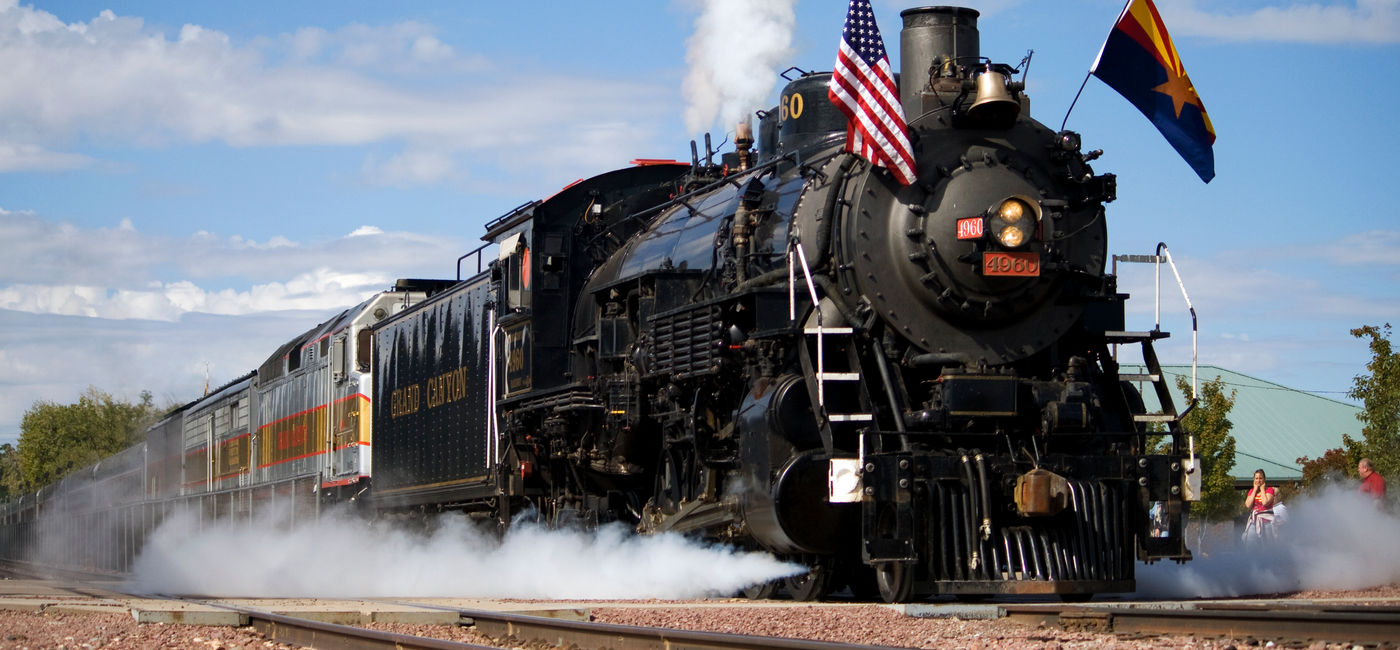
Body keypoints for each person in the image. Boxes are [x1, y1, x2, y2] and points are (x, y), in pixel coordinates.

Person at [1241, 469, 1276, 542]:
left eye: (1260, 478)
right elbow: (1248, 505)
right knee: (1250, 543)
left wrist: (1262, 490)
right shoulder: (1251, 491)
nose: (1258, 480)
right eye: (1256, 478)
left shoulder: (1269, 490)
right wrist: (1254, 490)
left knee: (1267, 544)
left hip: (1267, 522)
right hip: (1254, 521)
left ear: (1264, 479)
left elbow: (1265, 502)